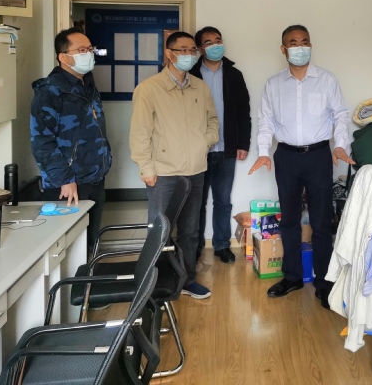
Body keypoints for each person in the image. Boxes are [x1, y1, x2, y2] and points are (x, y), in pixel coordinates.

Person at [249, 25, 354, 308]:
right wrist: (263, 152)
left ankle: (324, 282)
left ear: (311, 45)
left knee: (321, 222)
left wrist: (340, 146)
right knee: (290, 220)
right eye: (293, 43)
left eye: (304, 42)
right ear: (283, 49)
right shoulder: (273, 84)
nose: (300, 47)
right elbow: (266, 121)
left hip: (319, 156)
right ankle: (293, 276)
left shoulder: (327, 80)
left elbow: (341, 115)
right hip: (287, 157)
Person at [130, 31, 219, 300]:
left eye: (193, 50)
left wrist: (205, 141)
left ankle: (186, 280)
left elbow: (213, 121)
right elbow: (140, 132)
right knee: (160, 232)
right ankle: (154, 283)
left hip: (196, 170)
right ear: (169, 54)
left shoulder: (200, 87)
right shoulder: (149, 89)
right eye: (183, 50)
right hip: (164, 173)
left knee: (190, 232)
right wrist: (146, 168)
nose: (189, 54)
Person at [30, 27, 111, 255]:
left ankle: (88, 277)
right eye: (82, 50)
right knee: (70, 249)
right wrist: (65, 180)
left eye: (90, 49)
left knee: (90, 242)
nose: (89, 54)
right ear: (63, 57)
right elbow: (42, 142)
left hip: (94, 178)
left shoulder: (88, 86)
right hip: (68, 184)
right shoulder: (50, 91)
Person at [189, 26, 251, 265]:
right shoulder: (191, 74)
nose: (215, 45)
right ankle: (194, 246)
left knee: (223, 201)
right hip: (198, 150)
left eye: (218, 40)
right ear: (200, 48)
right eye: (209, 42)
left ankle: (222, 245)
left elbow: (244, 111)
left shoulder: (234, 75)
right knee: (197, 203)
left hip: (227, 148)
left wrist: (243, 143)